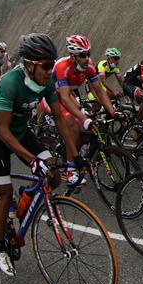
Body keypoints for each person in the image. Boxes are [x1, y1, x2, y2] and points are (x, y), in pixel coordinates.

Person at [0, 33, 87, 278]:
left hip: (21, 131)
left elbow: (60, 119)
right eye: (45, 66)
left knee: (52, 174)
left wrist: (75, 156)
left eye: (52, 64)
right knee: (4, 193)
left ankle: (27, 199)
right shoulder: (10, 82)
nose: (50, 70)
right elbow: (4, 131)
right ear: (29, 64)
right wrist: (32, 161)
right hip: (0, 134)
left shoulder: (47, 81)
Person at [50, 34, 114, 186]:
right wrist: (84, 119)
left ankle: (74, 149)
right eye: (82, 55)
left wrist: (112, 111)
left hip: (68, 94)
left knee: (83, 118)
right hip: (52, 96)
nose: (87, 58)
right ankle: (70, 170)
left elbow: (99, 91)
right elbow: (64, 98)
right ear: (73, 56)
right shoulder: (62, 67)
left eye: (88, 54)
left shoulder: (89, 66)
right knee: (73, 123)